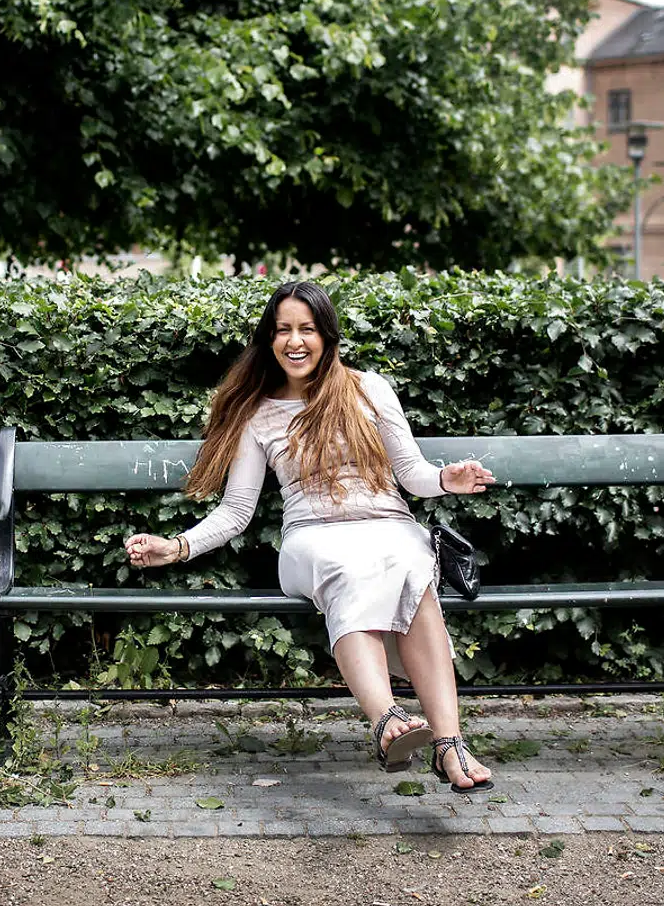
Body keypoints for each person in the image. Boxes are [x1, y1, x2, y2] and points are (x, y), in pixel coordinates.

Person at [125, 281, 498, 791]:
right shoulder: (258, 413)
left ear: (327, 336)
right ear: (269, 339)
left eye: (307, 329)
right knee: (347, 568)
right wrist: (176, 547)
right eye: (283, 330)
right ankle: (387, 720)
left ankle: (448, 744)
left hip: (388, 525)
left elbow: (412, 473)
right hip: (312, 537)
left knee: (411, 564)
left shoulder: (369, 390)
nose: (295, 341)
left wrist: (445, 480)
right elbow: (236, 511)